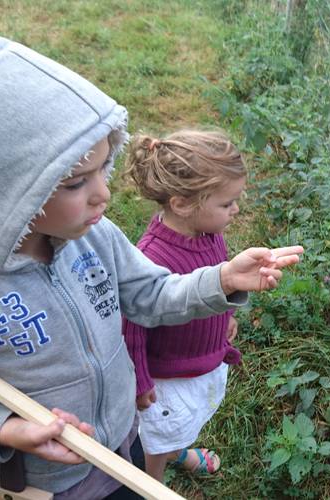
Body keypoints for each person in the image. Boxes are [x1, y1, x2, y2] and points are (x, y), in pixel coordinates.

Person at [0, 25, 302, 499]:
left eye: (103, 168)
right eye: (77, 182)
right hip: (41, 486)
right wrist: (2, 430)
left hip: (122, 451)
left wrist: (220, 280)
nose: (104, 193)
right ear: (8, 191)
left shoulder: (94, 238)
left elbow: (152, 295)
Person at [121, 130, 247, 480]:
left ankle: (178, 450)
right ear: (182, 204)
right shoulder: (151, 257)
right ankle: (152, 484)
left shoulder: (209, 234)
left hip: (201, 361)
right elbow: (131, 326)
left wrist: (226, 315)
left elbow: (219, 278)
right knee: (157, 439)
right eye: (226, 204)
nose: (235, 210)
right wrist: (141, 381)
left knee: (184, 420)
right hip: (167, 376)